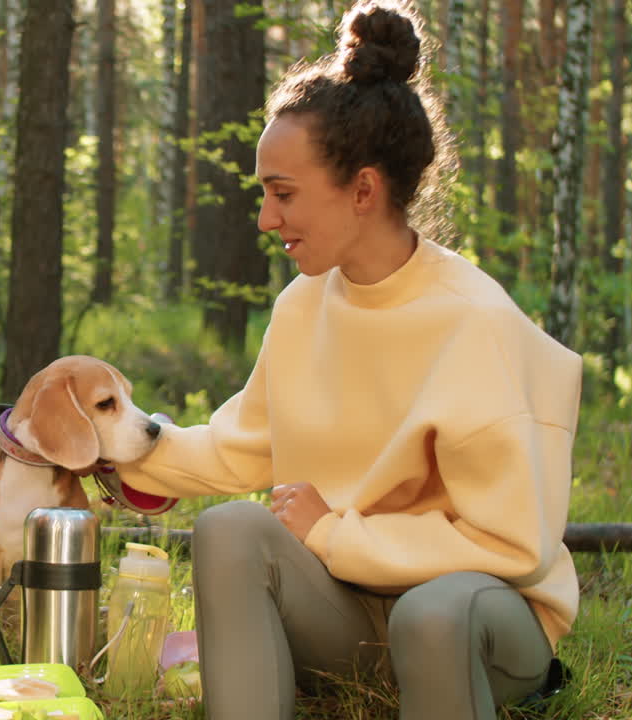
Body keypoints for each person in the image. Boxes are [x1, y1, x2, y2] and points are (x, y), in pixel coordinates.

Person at [114, 3, 581, 719]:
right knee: (229, 529)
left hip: (482, 623)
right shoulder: (302, 309)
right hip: (356, 613)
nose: (267, 220)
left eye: (283, 194)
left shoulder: (473, 323)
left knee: (432, 615)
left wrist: (335, 532)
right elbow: (240, 448)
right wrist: (113, 448)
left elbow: (511, 548)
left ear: (363, 190)